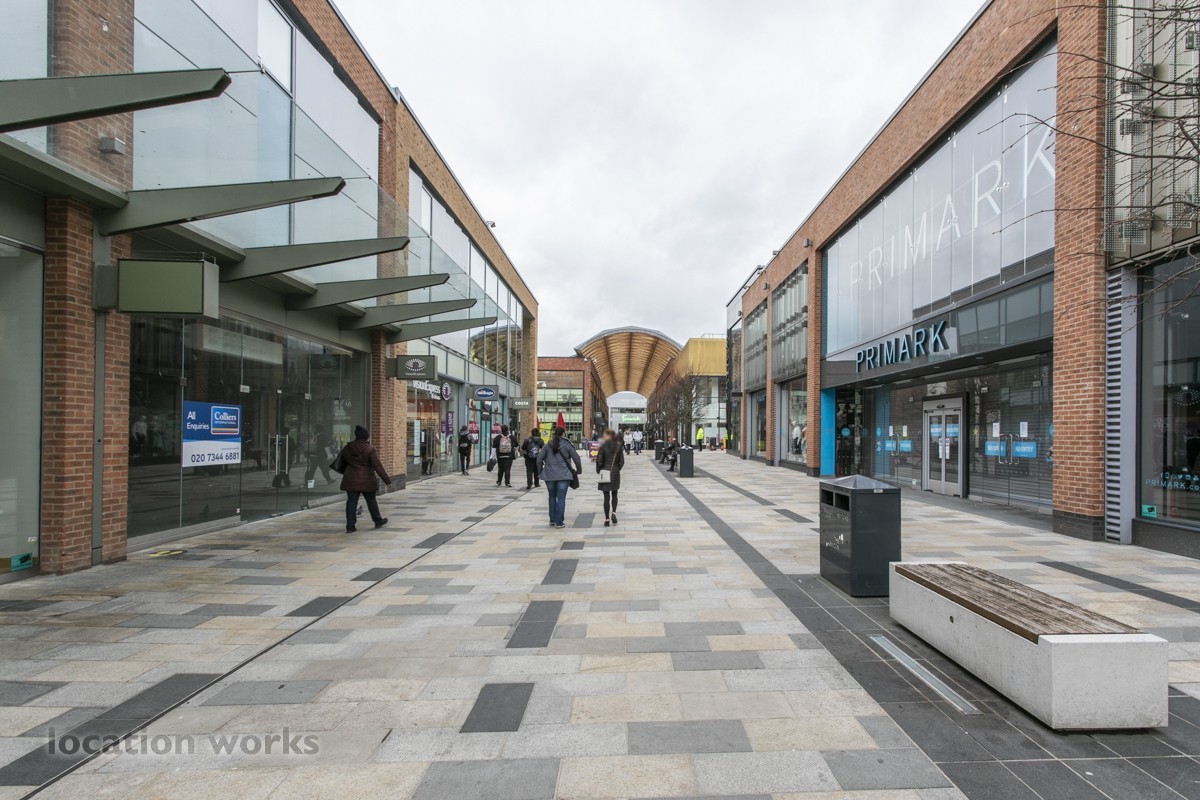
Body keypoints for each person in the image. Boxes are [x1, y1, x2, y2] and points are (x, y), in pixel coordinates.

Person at [339, 425, 391, 533]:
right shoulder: (369, 449)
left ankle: (350, 526)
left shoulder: (347, 448)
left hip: (351, 478)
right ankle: (377, 520)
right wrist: (387, 480)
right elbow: (377, 466)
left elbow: (342, 462)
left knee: (351, 502)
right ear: (366, 436)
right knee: (371, 501)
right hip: (367, 479)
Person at [536, 426, 581, 528]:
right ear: (563, 434)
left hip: (549, 475)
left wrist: (540, 471)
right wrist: (579, 470)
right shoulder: (567, 445)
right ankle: (559, 522)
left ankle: (552, 520)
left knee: (552, 496)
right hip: (564, 475)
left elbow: (539, 459)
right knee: (561, 497)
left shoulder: (547, 445)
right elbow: (577, 459)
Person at [596, 428, 624, 526]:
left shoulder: (603, 446)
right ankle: (614, 513)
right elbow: (622, 462)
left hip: (605, 473)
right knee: (615, 494)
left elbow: (599, 461)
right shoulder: (618, 446)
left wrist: (599, 471)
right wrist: (617, 469)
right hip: (615, 473)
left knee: (606, 496)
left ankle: (607, 519)